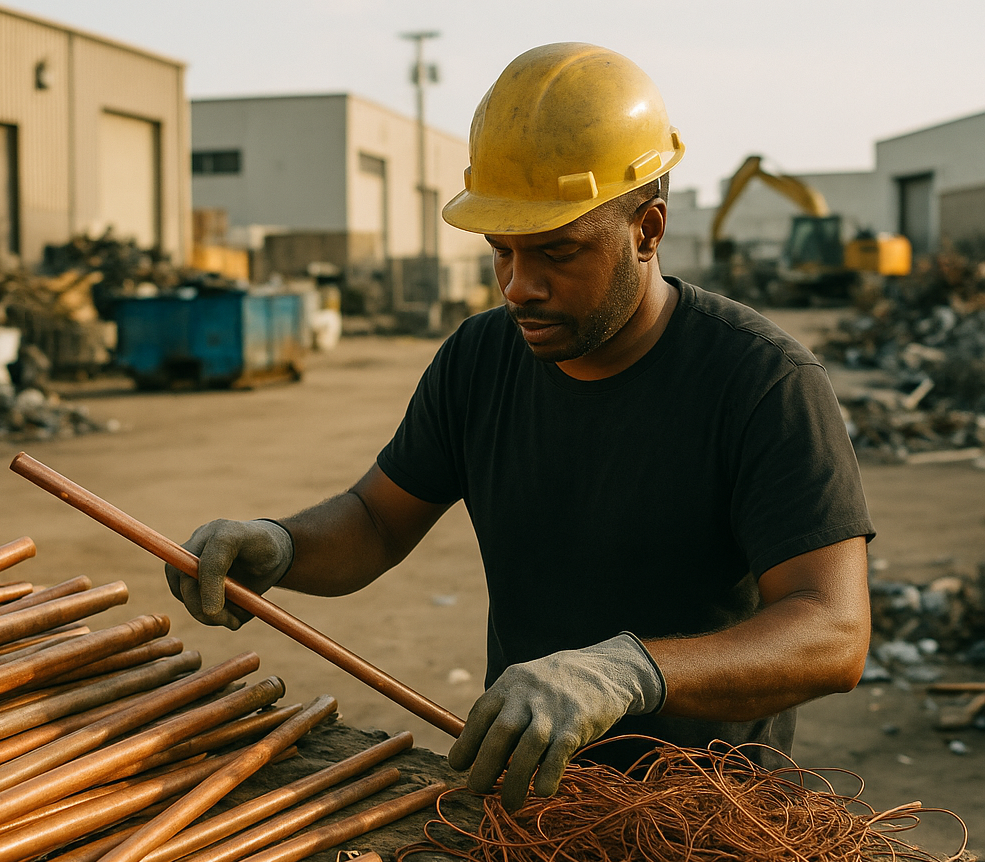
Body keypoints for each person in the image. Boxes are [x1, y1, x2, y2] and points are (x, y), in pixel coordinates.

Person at [167, 43, 874, 811]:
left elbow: (831, 631)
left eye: (557, 252)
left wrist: (628, 672)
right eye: (499, 252)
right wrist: (281, 545)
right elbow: (375, 521)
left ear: (648, 228)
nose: (518, 286)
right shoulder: (479, 360)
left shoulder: (762, 383)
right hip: (534, 804)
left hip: (712, 825)